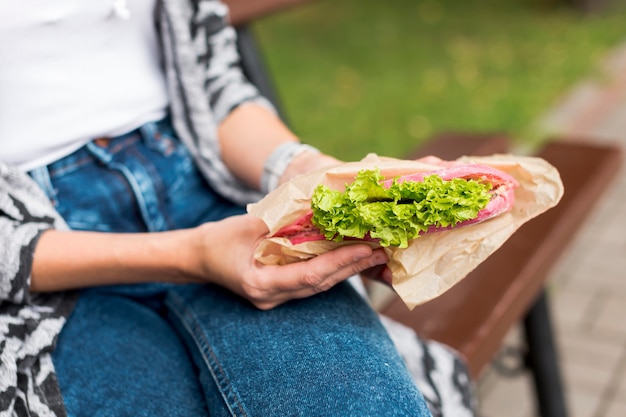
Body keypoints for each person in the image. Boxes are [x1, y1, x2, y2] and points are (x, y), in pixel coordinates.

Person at [0, 1, 474, 416]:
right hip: (43, 266)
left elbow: (213, 86)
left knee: (359, 403)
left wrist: (314, 173)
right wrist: (196, 254)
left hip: (206, 193)